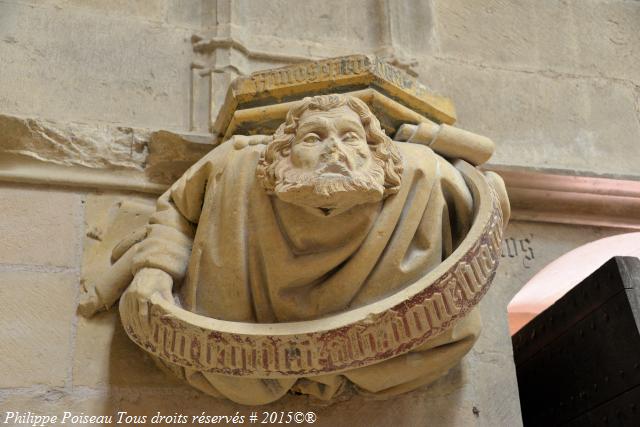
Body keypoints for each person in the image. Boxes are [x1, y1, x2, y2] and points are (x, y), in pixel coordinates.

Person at [125, 94, 490, 404]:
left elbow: (485, 204)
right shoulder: (235, 168)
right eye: (313, 138)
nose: (334, 150)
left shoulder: (424, 177)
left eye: (351, 138)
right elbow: (177, 209)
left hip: (394, 352)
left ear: (376, 150)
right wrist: (156, 269)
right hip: (231, 358)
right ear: (283, 151)